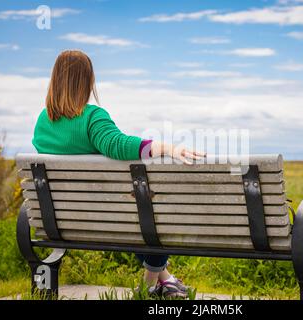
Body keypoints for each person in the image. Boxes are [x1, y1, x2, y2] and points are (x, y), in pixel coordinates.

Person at [32, 49, 205, 298]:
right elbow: (120, 146)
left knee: (136, 216)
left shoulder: (42, 121)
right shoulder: (92, 117)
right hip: (109, 219)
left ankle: (165, 281)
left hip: (65, 222)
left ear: (55, 79)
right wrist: (170, 148)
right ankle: (147, 287)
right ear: (88, 81)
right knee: (153, 216)